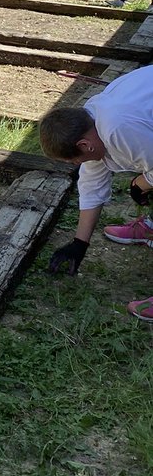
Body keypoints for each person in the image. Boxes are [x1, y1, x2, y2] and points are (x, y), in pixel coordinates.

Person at [39, 64, 153, 322]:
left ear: (84, 145)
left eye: (73, 160)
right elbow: (91, 186)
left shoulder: (118, 128)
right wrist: (80, 243)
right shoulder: (90, 122)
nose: (76, 165)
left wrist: (142, 183)